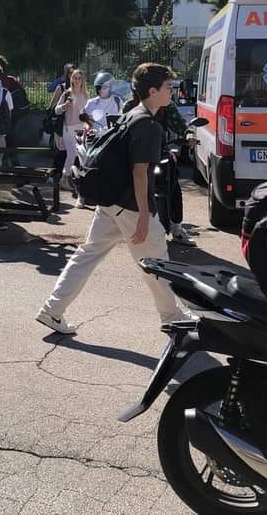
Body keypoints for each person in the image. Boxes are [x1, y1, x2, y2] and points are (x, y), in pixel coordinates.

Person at [36, 63, 183, 335]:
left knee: (87, 255)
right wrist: (142, 216)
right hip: (130, 205)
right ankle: (172, 317)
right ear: (153, 91)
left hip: (111, 202)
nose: (171, 93)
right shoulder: (149, 125)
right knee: (156, 258)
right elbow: (140, 174)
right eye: (168, 88)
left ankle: (52, 310)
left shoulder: (131, 113)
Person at [54, 69, 89, 189]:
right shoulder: (67, 94)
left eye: (79, 78)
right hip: (69, 127)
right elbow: (56, 110)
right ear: (71, 79)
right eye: (75, 78)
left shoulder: (86, 94)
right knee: (72, 154)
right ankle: (64, 179)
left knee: (82, 155)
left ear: (83, 80)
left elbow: (88, 111)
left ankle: (76, 180)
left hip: (82, 128)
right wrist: (64, 106)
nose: (77, 80)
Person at [48, 63, 76, 177]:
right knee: (61, 152)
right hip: (61, 125)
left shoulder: (81, 90)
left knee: (72, 152)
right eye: (70, 73)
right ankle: (54, 175)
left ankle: (66, 176)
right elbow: (52, 107)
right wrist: (64, 106)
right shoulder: (62, 88)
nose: (73, 76)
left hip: (74, 125)